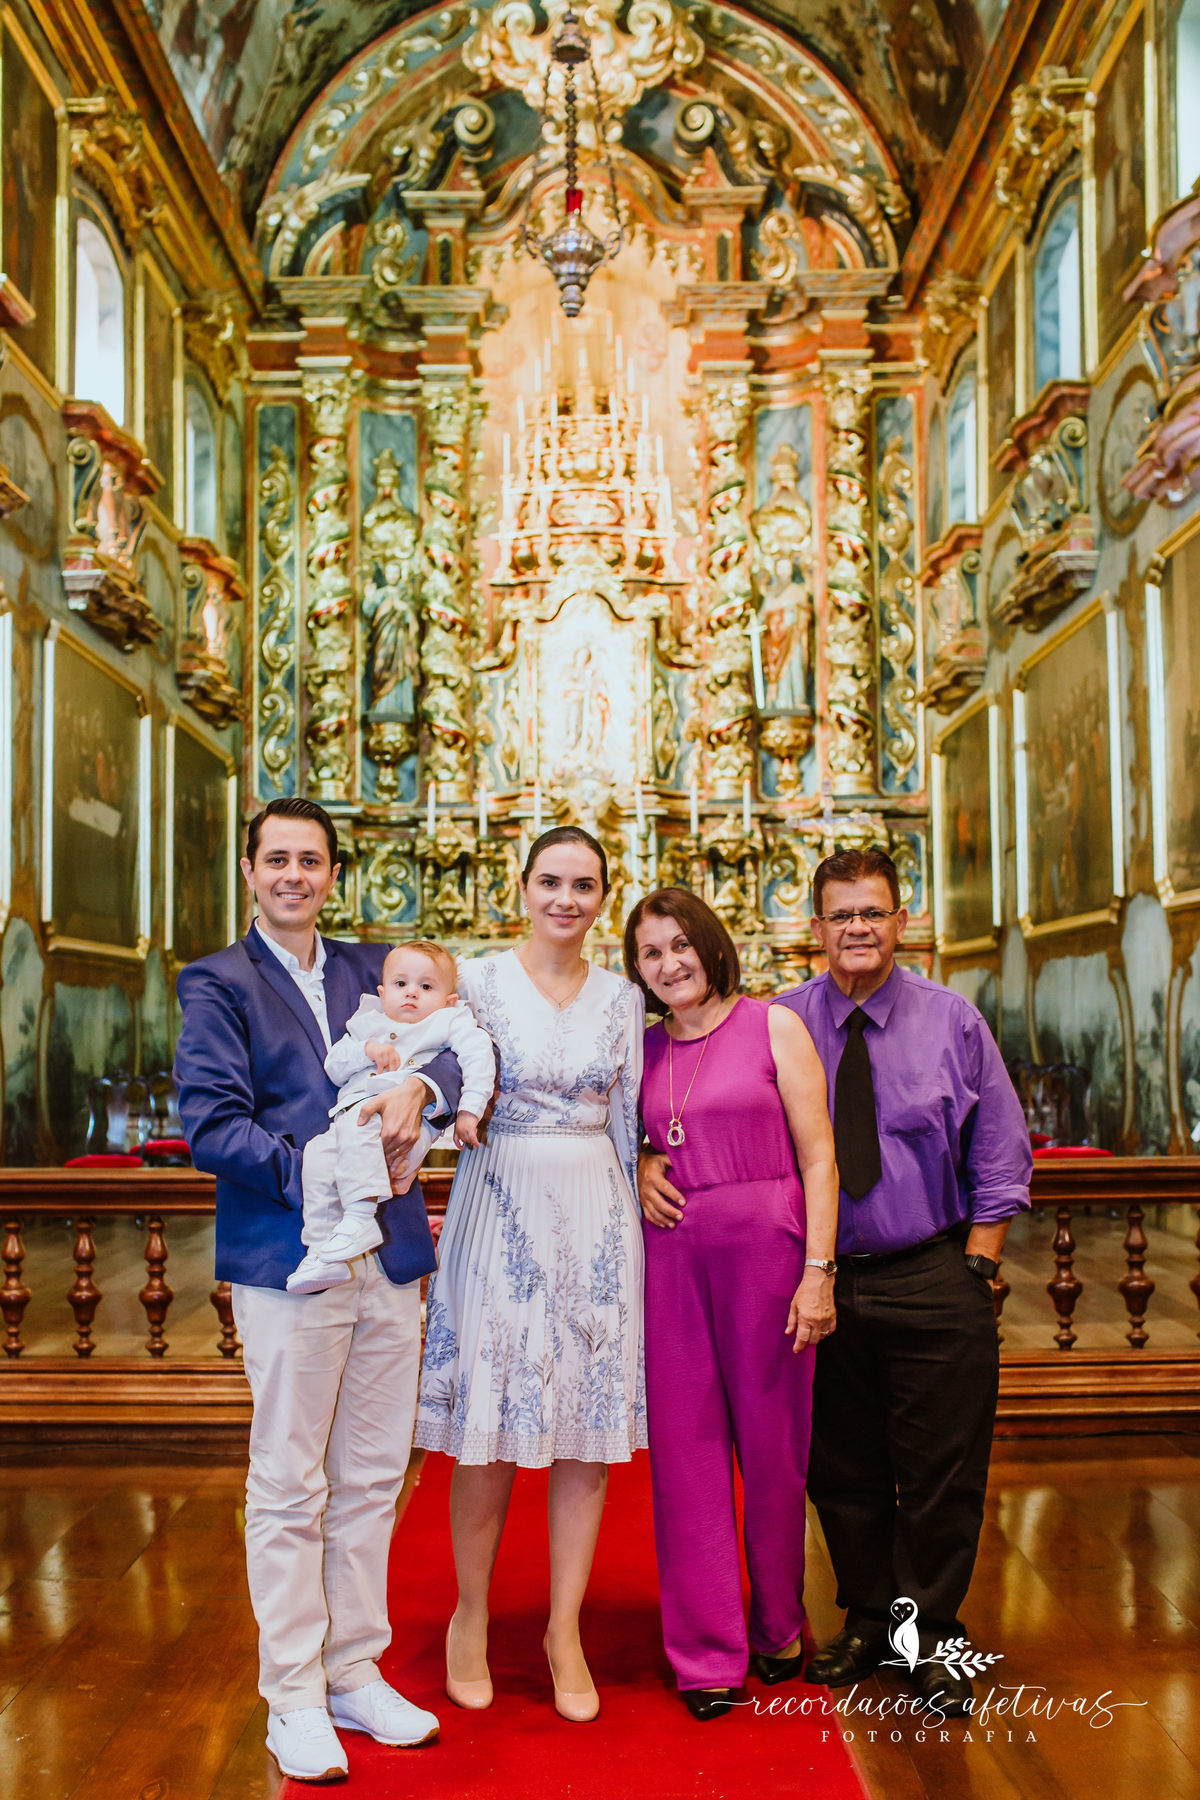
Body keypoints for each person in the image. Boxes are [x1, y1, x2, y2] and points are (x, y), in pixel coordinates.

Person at [174, 797, 465, 1784]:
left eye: (311, 861)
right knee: (292, 1481)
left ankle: (354, 1672)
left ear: (333, 873)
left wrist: (420, 1091)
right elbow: (212, 1126)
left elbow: (457, 1048)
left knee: (376, 1476)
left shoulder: (368, 969)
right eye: (277, 861)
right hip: (287, 1258)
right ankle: (292, 1694)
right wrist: (328, 1168)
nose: (294, 876)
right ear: (251, 871)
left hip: (385, 1256)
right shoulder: (217, 982)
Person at [767, 848, 1029, 1715]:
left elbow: (998, 1149)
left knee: (939, 1470)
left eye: (872, 913)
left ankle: (932, 1634)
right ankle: (871, 1621)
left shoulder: (953, 1020)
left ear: (900, 921)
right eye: (840, 915)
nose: (857, 929)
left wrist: (981, 1264)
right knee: (839, 1466)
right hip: (821, 1280)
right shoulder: (781, 1025)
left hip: (931, 1271)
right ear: (815, 929)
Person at [413, 825, 645, 1725]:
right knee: (489, 1421)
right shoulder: (471, 981)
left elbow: (626, 1118)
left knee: (585, 1431)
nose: (566, 899)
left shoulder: (624, 997)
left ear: (602, 896)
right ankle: (468, 1616)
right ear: (522, 887)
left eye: (584, 885)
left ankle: (563, 1629)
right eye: (550, 881)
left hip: (596, 1208)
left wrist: (638, 1206)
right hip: (497, 1196)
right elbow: (434, 1079)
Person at [627, 889, 839, 1721]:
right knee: (686, 1454)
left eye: (681, 945)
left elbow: (820, 1156)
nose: (670, 963)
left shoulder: (772, 1025)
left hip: (769, 1249)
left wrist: (817, 1269)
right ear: (637, 972)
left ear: (711, 947)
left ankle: (779, 1625)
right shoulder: (639, 1050)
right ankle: (707, 1652)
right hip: (672, 1257)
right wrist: (641, 1162)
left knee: (775, 1446)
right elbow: (627, 1134)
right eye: (650, 954)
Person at [287, 940, 496, 1294]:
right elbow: (334, 1067)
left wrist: (469, 1112)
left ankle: (359, 1218)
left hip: (400, 1127)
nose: (411, 993)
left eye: (426, 987)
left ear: (448, 999)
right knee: (317, 1159)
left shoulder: (451, 1021)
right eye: (401, 985)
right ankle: (323, 1251)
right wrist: (364, 1051)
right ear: (383, 993)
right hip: (347, 1120)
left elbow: (479, 1059)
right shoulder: (366, 1025)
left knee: (359, 1132)